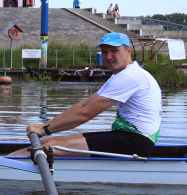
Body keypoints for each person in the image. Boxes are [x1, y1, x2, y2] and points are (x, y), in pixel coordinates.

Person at [9, 32, 161, 158]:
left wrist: (46, 130)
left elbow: (84, 115)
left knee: (48, 146)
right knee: (49, 142)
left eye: (114, 51)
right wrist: (45, 126)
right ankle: (0, 162)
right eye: (105, 51)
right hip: (125, 136)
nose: (108, 56)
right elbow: (82, 105)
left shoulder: (130, 76)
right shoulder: (120, 76)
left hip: (135, 143)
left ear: (128, 51)